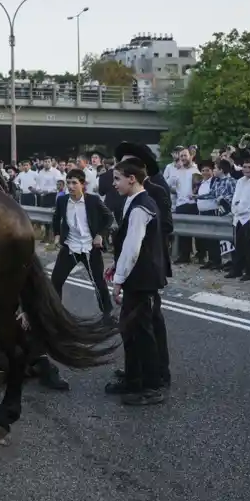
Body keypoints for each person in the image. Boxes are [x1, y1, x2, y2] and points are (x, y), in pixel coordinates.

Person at [105, 158, 169, 406]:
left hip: (142, 279)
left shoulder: (142, 205)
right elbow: (128, 245)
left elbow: (134, 247)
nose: (114, 184)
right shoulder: (133, 202)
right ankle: (133, 378)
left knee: (142, 333)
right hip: (137, 276)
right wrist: (116, 266)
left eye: (117, 179)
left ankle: (152, 386)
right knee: (130, 330)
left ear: (132, 178)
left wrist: (119, 279)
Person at [50, 169, 114, 319]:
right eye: (68, 183)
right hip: (70, 247)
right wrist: (57, 235)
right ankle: (56, 315)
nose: (71, 186)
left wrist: (100, 235)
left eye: (74, 183)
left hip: (89, 248)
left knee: (99, 284)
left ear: (83, 184)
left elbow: (109, 218)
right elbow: (55, 218)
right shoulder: (62, 200)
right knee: (55, 282)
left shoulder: (93, 200)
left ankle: (108, 315)